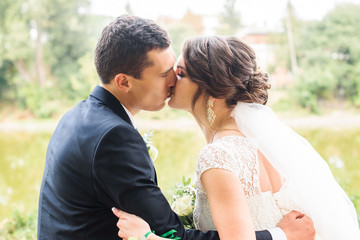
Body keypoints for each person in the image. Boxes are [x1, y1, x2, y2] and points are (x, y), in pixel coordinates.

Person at [37, 15, 314, 240]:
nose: (172, 80)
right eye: (165, 74)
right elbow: (170, 234)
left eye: (177, 71)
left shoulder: (75, 117)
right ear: (124, 82)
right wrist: (280, 235)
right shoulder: (114, 136)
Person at [113, 36, 360, 240]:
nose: (171, 80)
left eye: (181, 73)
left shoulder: (219, 156)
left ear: (212, 91)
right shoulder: (263, 143)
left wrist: (147, 237)